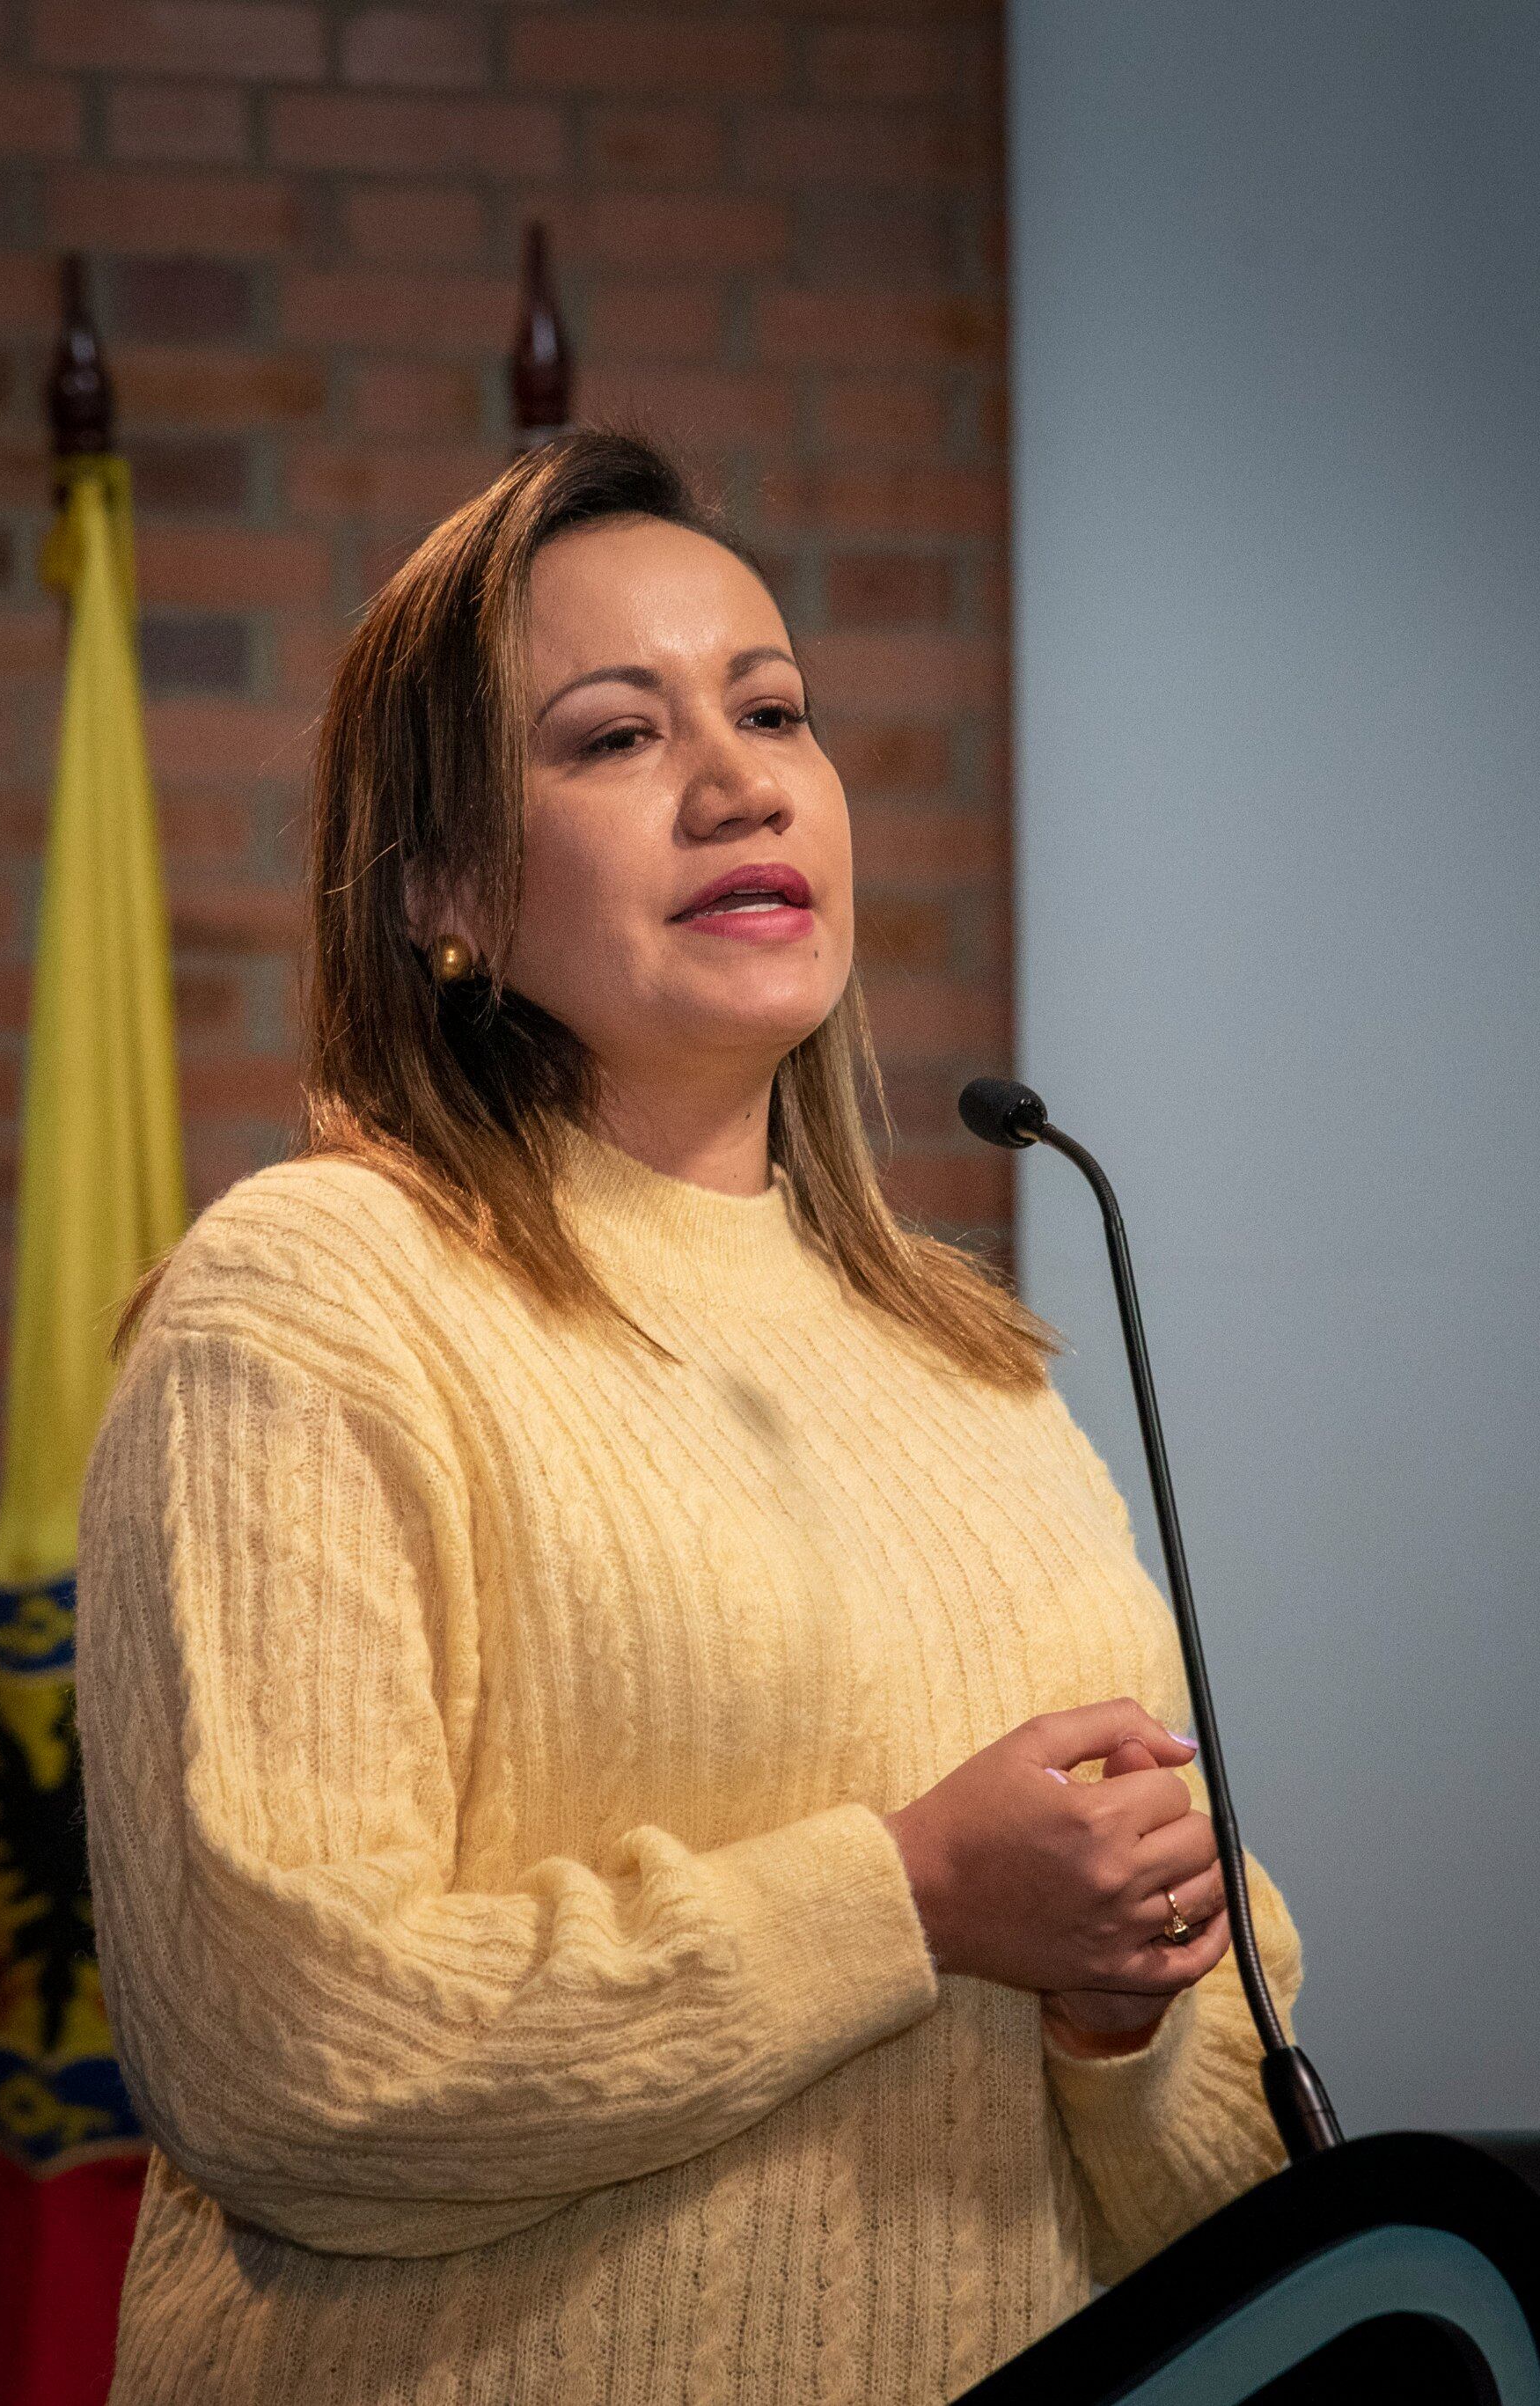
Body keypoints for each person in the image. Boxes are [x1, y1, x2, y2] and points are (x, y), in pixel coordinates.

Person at [77, 430, 1302, 2406]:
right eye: (618, 736)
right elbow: (285, 2055)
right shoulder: (316, 1301)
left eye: (773, 710)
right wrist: (907, 1896)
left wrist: (1116, 2025)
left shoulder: (970, 1362)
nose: (742, 783)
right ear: (446, 887)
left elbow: (1233, 2170)